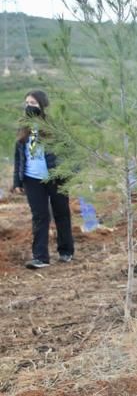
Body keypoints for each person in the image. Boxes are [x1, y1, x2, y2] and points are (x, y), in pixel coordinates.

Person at [12, 90, 74, 269]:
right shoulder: (23, 128)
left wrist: (67, 174)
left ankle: (66, 251)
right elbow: (19, 157)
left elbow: (69, 151)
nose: (29, 106)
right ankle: (40, 257)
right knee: (40, 216)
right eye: (27, 103)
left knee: (61, 214)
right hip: (32, 179)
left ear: (42, 105)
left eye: (33, 103)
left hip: (55, 178)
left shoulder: (54, 126)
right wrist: (17, 181)